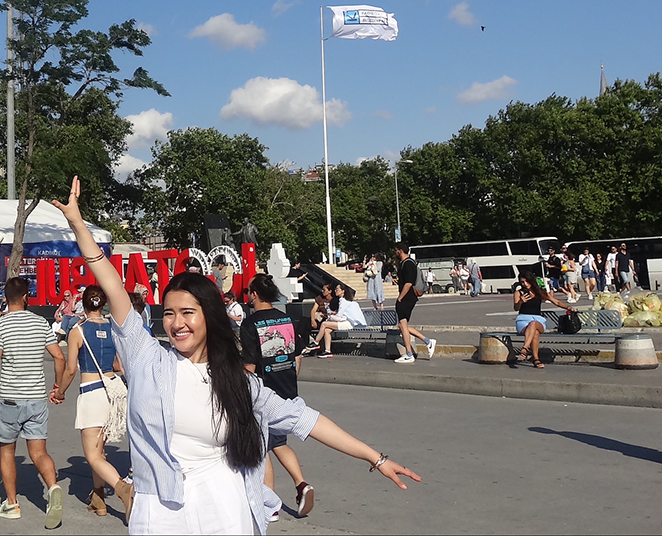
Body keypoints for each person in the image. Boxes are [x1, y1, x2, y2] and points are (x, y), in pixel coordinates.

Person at [52, 176, 420, 534]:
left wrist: (377, 458)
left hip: (225, 511)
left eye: (187, 313)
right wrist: (78, 225)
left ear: (209, 318)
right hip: (159, 513)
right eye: (168, 314)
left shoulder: (239, 382)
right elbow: (111, 282)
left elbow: (304, 420)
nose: (176, 324)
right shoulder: (146, 359)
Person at [0, 276, 65, 526]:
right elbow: (59, 357)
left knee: (7, 451)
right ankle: (52, 488)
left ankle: (12, 504)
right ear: (27, 297)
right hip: (37, 398)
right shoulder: (41, 323)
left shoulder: (0, 325)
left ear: (6, 299)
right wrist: (57, 387)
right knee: (39, 451)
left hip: (9, 398)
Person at [240, 274, 314, 521]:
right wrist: (290, 380)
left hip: (263, 393)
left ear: (255, 294)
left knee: (261, 451)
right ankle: (301, 484)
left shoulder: (250, 324)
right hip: (287, 390)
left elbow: (249, 364)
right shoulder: (286, 319)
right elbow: (297, 356)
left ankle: (268, 504)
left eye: (249, 291)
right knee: (279, 442)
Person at [56, 285, 129, 519]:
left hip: (91, 392)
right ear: (103, 303)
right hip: (113, 392)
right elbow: (118, 365)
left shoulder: (77, 330)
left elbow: (70, 370)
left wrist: (59, 391)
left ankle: (124, 490)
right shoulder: (113, 329)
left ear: (83, 304)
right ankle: (99, 499)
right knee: (101, 451)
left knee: (93, 456)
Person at [512, 271, 577, 369]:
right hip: (523, 320)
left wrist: (568, 308)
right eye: (522, 282)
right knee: (535, 333)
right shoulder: (519, 293)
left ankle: (525, 348)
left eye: (526, 281)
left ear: (531, 281)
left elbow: (556, 302)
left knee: (533, 324)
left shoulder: (539, 292)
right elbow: (516, 308)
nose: (524, 284)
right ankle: (536, 359)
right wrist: (521, 302)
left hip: (538, 320)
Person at [393, 243, 436, 365]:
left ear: (400, 251)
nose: (395, 252)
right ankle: (427, 341)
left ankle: (409, 354)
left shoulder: (408, 264)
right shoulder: (405, 263)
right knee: (402, 326)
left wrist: (400, 297)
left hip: (407, 296)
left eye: (396, 250)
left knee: (402, 324)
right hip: (408, 296)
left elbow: (409, 283)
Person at [305, 288, 367, 358]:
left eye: (337, 289)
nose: (335, 290)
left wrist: (331, 316)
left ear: (343, 291)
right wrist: (334, 313)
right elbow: (342, 314)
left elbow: (339, 317)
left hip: (348, 323)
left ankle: (316, 343)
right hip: (344, 321)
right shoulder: (342, 300)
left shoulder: (344, 301)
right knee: (326, 330)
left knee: (324, 324)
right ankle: (328, 351)